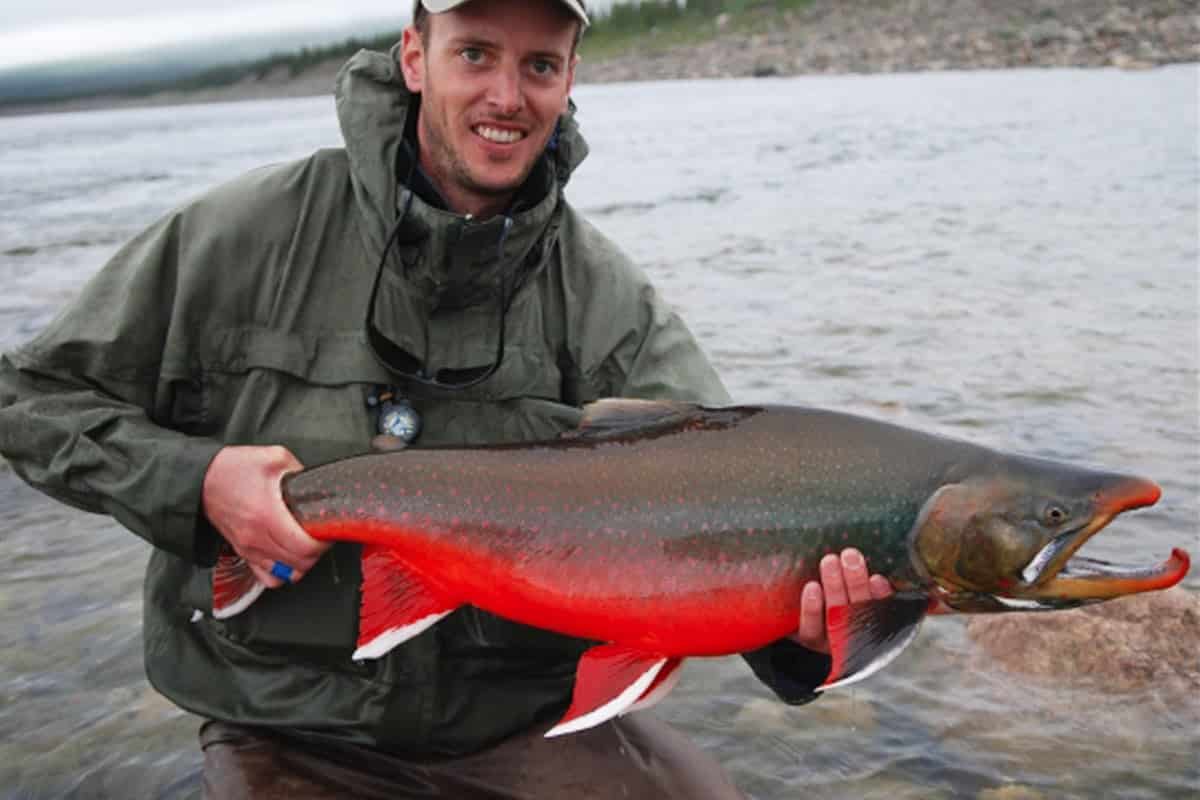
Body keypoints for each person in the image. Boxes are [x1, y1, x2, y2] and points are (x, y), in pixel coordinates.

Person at [0, 0, 893, 796]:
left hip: (509, 725)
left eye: (540, 64)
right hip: (287, 720)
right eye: (476, 53)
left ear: (570, 77)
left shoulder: (609, 303)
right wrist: (196, 482)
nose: (507, 95)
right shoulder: (243, 238)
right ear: (414, 56)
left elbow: (731, 511)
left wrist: (800, 641)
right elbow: (29, 399)